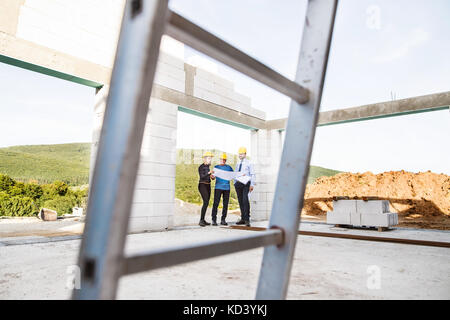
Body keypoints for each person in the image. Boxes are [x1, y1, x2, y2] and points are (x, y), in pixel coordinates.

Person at [234, 147, 255, 227]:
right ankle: (242, 218)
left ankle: (247, 219)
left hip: (246, 183)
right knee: (240, 201)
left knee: (245, 200)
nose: (240, 155)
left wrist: (252, 184)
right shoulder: (238, 163)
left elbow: (252, 174)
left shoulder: (249, 163)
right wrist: (235, 183)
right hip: (238, 184)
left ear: (245, 154)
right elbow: (236, 173)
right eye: (239, 154)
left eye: (242, 154)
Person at [210, 153, 233, 226]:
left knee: (225, 204)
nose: (222, 161)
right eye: (221, 159)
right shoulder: (216, 167)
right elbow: (213, 178)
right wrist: (212, 177)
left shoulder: (229, 167)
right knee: (216, 204)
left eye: (224, 159)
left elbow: (233, 175)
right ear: (219, 160)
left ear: (225, 160)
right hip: (218, 187)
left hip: (227, 188)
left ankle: (223, 220)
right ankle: (214, 220)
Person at [198, 151, 215, 227]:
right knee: (205, 202)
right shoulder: (201, 167)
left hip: (208, 185)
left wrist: (212, 177)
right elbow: (202, 176)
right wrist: (209, 173)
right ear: (204, 159)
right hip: (202, 185)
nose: (210, 160)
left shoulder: (208, 167)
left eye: (210, 158)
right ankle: (201, 220)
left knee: (207, 202)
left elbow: (208, 177)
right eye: (208, 158)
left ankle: (203, 220)